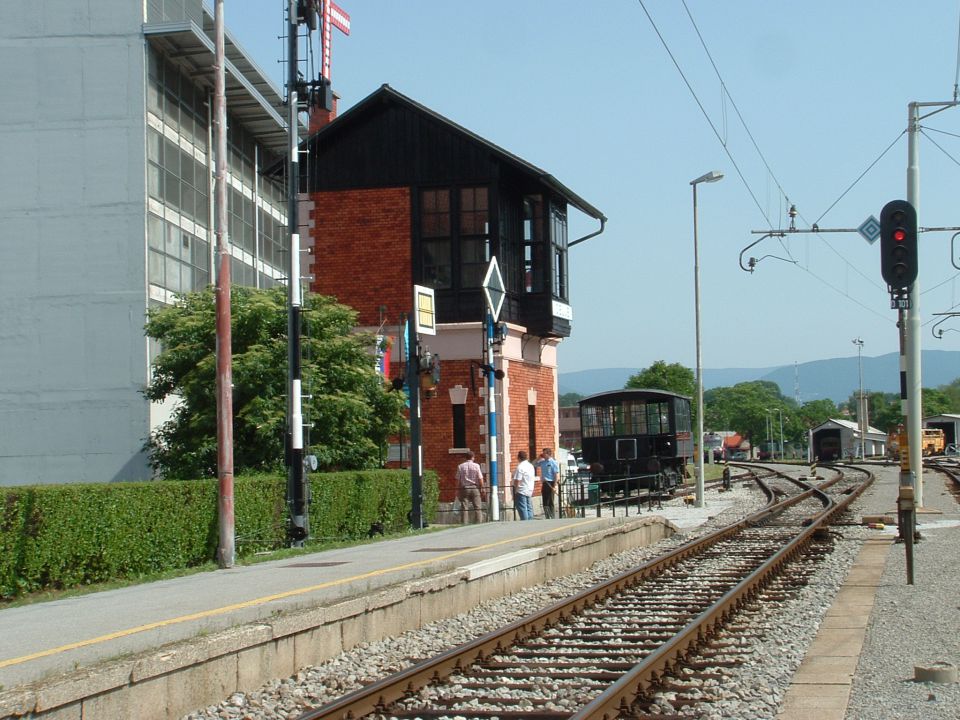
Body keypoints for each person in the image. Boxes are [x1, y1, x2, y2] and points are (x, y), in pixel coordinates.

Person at [455, 451, 485, 524]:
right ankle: (478, 523)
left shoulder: (460, 466)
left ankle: (464, 523)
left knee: (464, 507)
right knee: (477, 507)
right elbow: (480, 478)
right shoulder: (476, 466)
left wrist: (457, 490)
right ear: (473, 457)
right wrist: (482, 488)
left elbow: (457, 479)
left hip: (465, 488)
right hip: (475, 488)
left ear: (465, 458)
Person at [536, 448, 560, 519]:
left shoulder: (553, 462)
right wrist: (538, 458)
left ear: (548, 454)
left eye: (544, 453)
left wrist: (555, 486)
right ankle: (547, 516)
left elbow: (556, 475)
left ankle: (552, 516)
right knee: (545, 501)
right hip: (545, 483)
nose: (543, 454)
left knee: (550, 501)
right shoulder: (543, 462)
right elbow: (534, 464)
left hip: (551, 482)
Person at [513, 450, 536, 520]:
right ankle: (530, 521)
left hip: (521, 490)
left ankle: (525, 523)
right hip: (529, 489)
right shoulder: (530, 466)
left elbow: (517, 480)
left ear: (519, 458)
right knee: (529, 507)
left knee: (522, 508)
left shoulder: (520, 467)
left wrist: (515, 490)